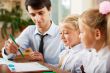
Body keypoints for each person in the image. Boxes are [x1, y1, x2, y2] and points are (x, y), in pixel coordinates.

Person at [2, 0, 64, 65]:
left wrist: (44, 63)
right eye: (33, 14)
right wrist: (8, 50)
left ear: (50, 9)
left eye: (41, 13)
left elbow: (68, 67)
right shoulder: (30, 31)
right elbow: (12, 54)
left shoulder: (62, 33)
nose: (37, 19)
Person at [78, 6, 110, 73]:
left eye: (81, 32)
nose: (79, 36)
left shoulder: (105, 64)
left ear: (97, 34)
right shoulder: (92, 54)